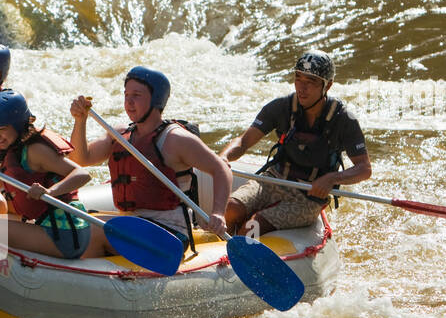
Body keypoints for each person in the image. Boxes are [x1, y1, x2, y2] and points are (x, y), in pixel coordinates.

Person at [68, 66, 230, 247]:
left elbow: (221, 169)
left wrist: (218, 213)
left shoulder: (175, 139)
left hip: (170, 233)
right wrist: (80, 121)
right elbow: (80, 158)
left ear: (155, 100)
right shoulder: (120, 135)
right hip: (132, 223)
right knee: (74, 220)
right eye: (126, 95)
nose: (129, 102)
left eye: (136, 95)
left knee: (86, 229)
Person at [219, 50, 372, 235]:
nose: (302, 87)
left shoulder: (344, 119)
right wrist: (223, 157)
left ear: (328, 86)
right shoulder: (281, 107)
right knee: (230, 209)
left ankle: (239, 253)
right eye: (298, 78)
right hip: (274, 179)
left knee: (253, 226)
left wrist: (332, 179)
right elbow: (243, 142)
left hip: (309, 196)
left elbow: (364, 168)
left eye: (311, 82)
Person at [0, 90, 107, 260]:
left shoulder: (35, 151)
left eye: (2, 129)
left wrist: (50, 192)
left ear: (18, 124)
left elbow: (82, 174)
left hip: (64, 233)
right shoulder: (13, 153)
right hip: (52, 229)